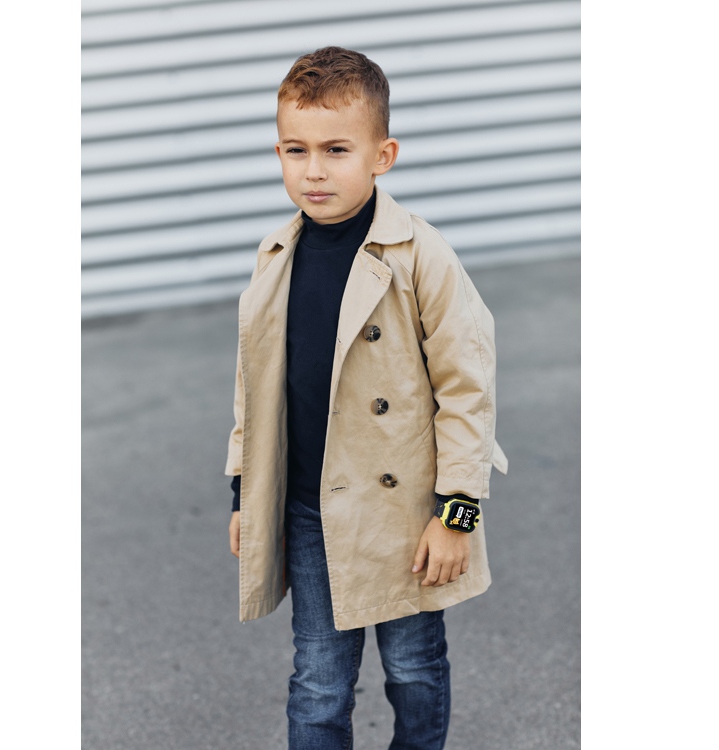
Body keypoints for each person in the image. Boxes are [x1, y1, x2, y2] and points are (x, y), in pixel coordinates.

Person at [224, 46, 508, 750]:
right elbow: (254, 391)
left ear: (383, 156)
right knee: (319, 682)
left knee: (413, 667)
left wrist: (457, 514)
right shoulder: (275, 257)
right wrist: (242, 493)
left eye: (336, 150)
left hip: (406, 512)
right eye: (297, 150)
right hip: (310, 510)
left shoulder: (421, 255)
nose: (314, 170)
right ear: (279, 152)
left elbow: (467, 390)